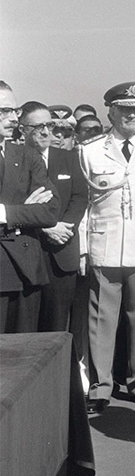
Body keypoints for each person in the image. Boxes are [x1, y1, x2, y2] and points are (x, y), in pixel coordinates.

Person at [78, 82, 135, 413]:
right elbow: (85, 205)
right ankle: (101, 386)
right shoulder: (90, 151)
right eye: (125, 109)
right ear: (111, 112)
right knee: (102, 319)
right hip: (105, 245)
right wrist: (83, 248)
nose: (133, 115)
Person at [18, 102, 87, 333]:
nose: (47, 132)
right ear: (23, 129)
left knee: (58, 327)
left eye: (49, 125)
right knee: (27, 328)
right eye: (38, 127)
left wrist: (64, 227)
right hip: (28, 253)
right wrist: (46, 227)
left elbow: (80, 197)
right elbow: (13, 206)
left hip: (61, 252)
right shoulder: (13, 160)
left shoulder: (68, 158)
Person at [0, 82, 59, 333]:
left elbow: (50, 210)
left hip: (24, 271)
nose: (13, 118)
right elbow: (36, 212)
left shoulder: (26, 155)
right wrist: (25, 210)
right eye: (4, 111)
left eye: (15, 110)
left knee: (24, 357)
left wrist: (4, 213)